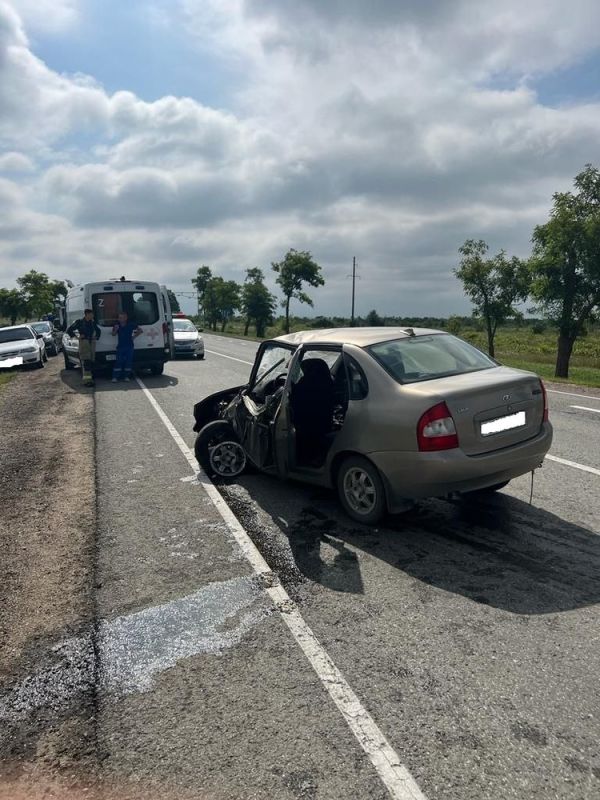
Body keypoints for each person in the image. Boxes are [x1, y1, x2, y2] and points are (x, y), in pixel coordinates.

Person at [67, 309, 101, 386]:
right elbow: (69, 330)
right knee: (86, 362)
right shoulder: (79, 322)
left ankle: (90, 379)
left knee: (91, 361)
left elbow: (98, 331)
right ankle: (87, 381)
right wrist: (77, 337)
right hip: (84, 343)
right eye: (91, 314)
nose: (92, 316)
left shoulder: (92, 323)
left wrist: (96, 337)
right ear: (87, 314)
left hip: (91, 343)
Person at [111, 312, 142, 382]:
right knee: (119, 361)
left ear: (126, 318)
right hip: (120, 346)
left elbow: (140, 330)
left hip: (129, 346)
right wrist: (115, 329)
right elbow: (113, 334)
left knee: (128, 362)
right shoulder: (117, 325)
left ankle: (126, 376)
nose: (120, 319)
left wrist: (134, 337)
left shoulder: (131, 324)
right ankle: (115, 377)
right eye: (119, 317)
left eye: (122, 317)